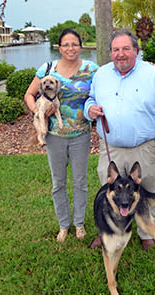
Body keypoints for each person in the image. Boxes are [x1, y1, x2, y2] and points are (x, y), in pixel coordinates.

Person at [84, 29, 155, 250]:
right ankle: (107, 232)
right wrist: (89, 108)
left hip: (144, 147)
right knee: (108, 193)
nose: (121, 54)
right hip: (111, 148)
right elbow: (91, 98)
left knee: (146, 191)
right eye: (116, 49)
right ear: (111, 52)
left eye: (126, 49)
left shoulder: (154, 75)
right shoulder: (101, 74)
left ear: (136, 51)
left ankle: (146, 232)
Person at [25, 28, 98, 242]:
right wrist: (38, 113)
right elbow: (29, 94)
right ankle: (63, 225)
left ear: (80, 46)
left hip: (81, 134)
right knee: (58, 182)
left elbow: (111, 81)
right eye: (66, 44)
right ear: (59, 48)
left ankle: (79, 223)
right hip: (54, 136)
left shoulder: (91, 69)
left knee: (80, 182)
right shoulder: (47, 69)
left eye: (74, 44)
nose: (70, 48)